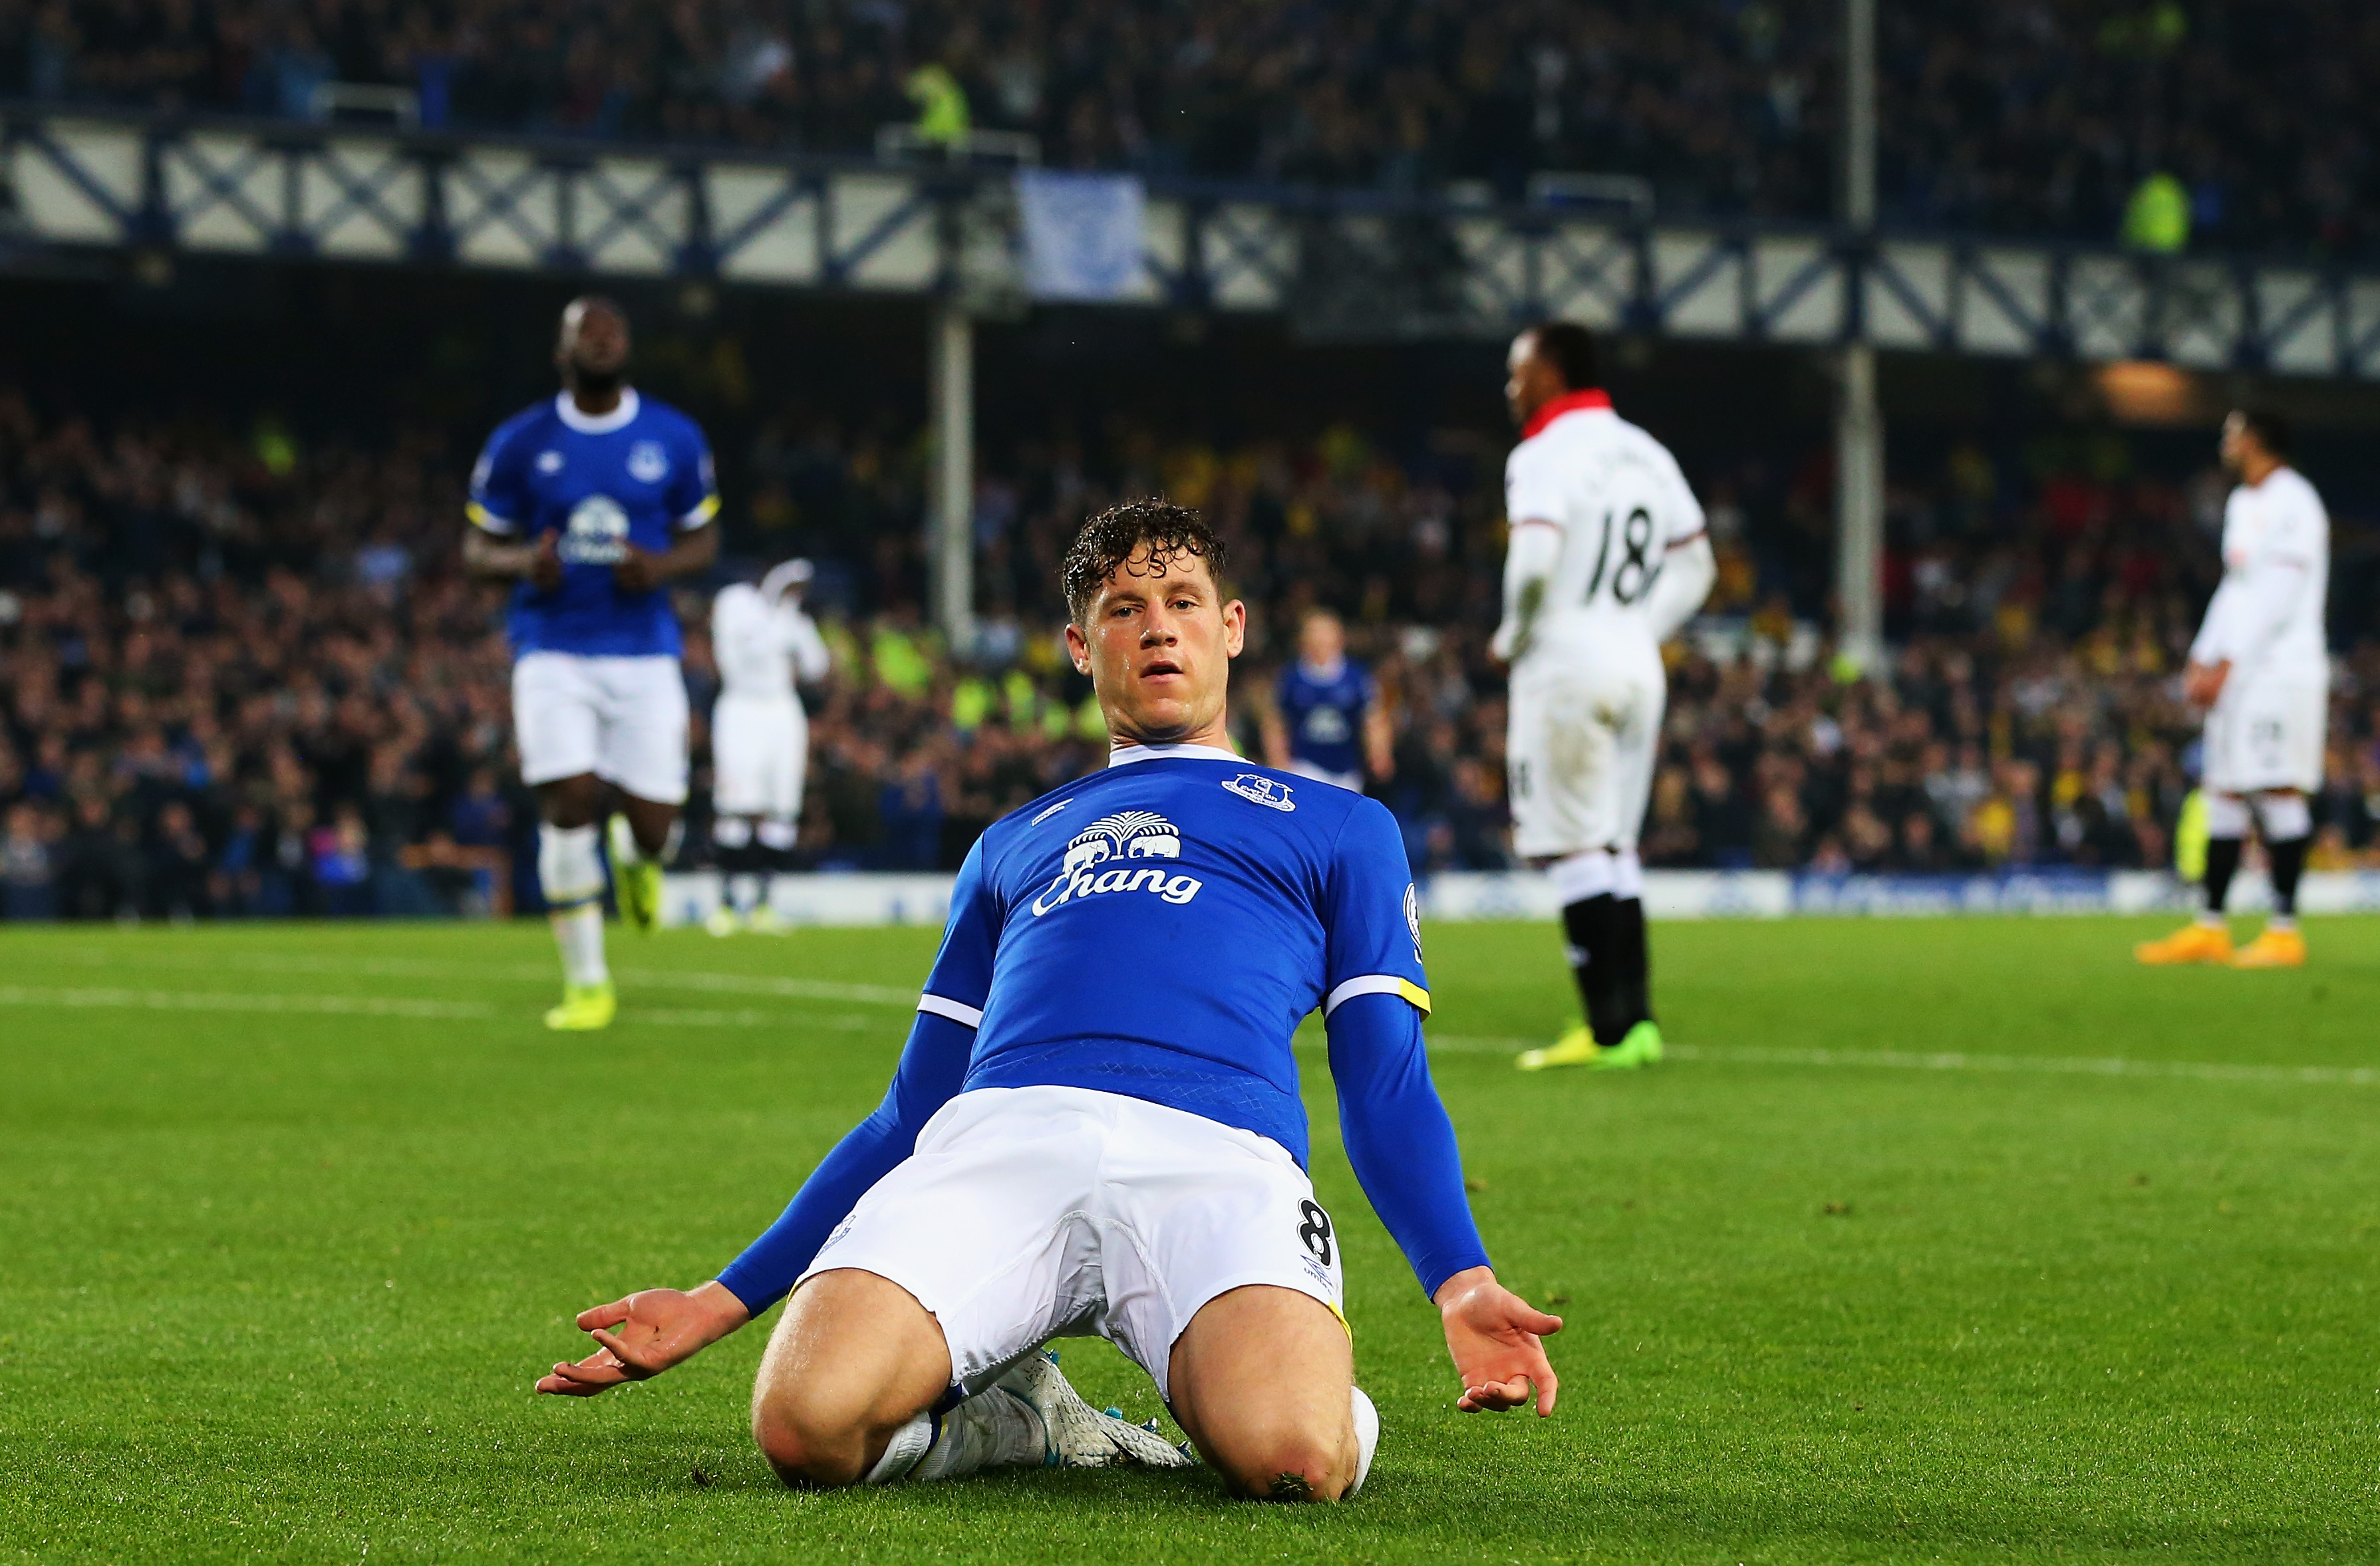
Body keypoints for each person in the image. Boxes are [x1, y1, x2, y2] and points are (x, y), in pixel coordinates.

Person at [534, 500, 1561, 1501]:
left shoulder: (1341, 825)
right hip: (1000, 1143)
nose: (1156, 624)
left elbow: (1382, 1077)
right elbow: (908, 1111)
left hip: (1213, 1155)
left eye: (1185, 601)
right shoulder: (1011, 841)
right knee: (803, 1424)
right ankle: (1013, 1421)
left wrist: (1459, 1278)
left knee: (1293, 1458)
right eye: (1122, 608)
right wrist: (720, 1299)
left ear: (1232, 627)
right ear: (1080, 644)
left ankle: (1310, 1390)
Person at [464, 295, 720, 1029]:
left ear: (628, 348)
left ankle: (639, 860)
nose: (603, 342)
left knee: (652, 822)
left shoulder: (672, 436)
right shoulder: (521, 441)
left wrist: (661, 567)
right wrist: (521, 562)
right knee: (568, 798)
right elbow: (476, 547)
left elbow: (702, 537)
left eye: (613, 332)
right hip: (552, 647)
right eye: (588, 333)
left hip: (644, 651)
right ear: (563, 351)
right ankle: (586, 984)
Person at [1488, 323, 1715, 1073]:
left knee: (1578, 845)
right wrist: (1634, 628)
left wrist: (1517, 632)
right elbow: (1698, 564)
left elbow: (1532, 563)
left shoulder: (1545, 454)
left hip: (1567, 661)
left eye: (1519, 372)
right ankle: (1638, 1024)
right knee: (1615, 841)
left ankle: (1608, 1031)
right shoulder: (1647, 451)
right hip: (1635, 657)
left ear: (1551, 372)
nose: (1512, 387)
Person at [2136, 408, 2328, 970]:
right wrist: (2203, 655)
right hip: (2241, 669)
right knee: (2223, 788)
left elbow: (2281, 592)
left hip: (2280, 669)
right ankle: (2211, 925)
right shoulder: (2244, 505)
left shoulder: (2296, 501)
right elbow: (2237, 588)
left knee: (2278, 789)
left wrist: (2232, 661)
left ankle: (2285, 930)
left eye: (2233, 431)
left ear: (2259, 440)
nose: (2226, 440)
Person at [706, 559, 831, 936]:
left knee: (780, 808)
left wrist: (797, 628)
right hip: (741, 708)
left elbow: (817, 667)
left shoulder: (792, 620)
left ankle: (763, 904)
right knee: (736, 807)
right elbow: (745, 651)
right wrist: (783, 626)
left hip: (782, 710)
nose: (794, 595)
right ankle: (726, 905)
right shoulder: (737, 602)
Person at [1258, 608, 1392, 793]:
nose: (1321, 641)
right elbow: (1275, 722)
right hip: (1304, 765)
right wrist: (1278, 760)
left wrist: (1379, 753)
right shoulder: (1291, 678)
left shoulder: (1357, 678)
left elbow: (1373, 718)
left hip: (1347, 769)